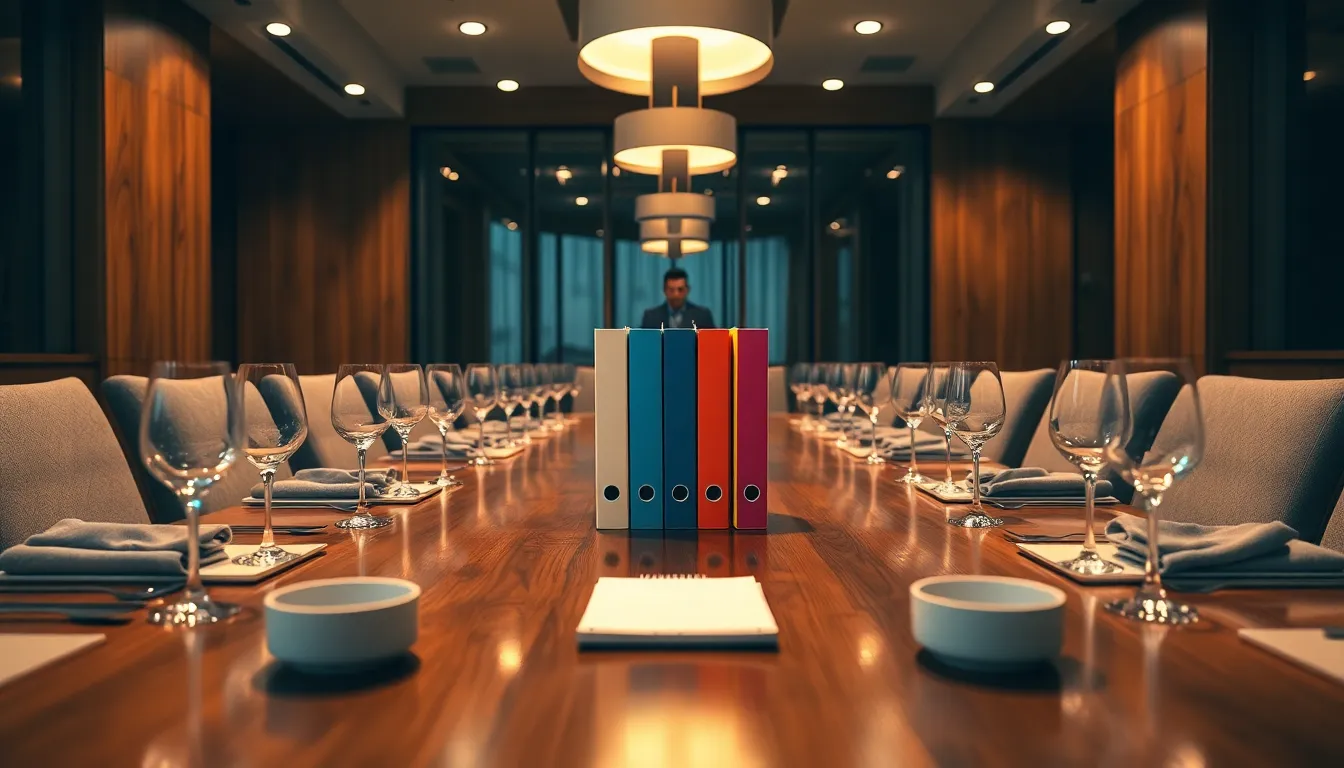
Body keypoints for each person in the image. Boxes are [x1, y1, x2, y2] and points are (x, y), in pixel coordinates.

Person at [640, 267, 716, 329]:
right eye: (671, 290)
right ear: (664, 290)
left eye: (680, 289)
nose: (676, 294)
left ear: (687, 290)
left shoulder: (702, 316)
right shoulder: (651, 317)